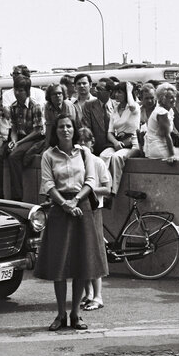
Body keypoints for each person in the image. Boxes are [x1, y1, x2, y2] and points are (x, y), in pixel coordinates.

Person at [34, 114, 109, 331]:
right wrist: (65, 204)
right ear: (55, 131)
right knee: (59, 264)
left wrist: (76, 200)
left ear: (73, 130)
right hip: (60, 209)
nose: (65, 130)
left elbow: (91, 181)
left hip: (82, 207)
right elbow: (48, 184)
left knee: (80, 263)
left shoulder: (84, 153)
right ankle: (60, 314)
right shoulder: (48, 155)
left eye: (68, 126)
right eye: (60, 127)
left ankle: (76, 314)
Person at [0, 76, 43, 201]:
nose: (17, 93)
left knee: (14, 156)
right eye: (16, 90)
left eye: (21, 90)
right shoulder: (13, 106)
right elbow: (13, 128)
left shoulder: (36, 106)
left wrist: (18, 143)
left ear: (27, 91)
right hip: (17, 138)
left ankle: (16, 198)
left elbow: (37, 131)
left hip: (32, 139)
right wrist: (13, 141)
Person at [76, 127, 112, 312]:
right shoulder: (75, 163)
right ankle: (88, 293)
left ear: (92, 143)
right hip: (80, 210)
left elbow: (107, 188)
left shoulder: (97, 162)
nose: (82, 146)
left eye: (86, 142)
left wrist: (89, 189)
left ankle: (98, 296)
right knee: (83, 253)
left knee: (95, 252)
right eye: (79, 142)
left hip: (94, 209)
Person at [100, 81, 142, 199]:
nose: (116, 95)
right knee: (103, 156)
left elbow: (132, 105)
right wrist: (116, 142)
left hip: (132, 143)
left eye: (120, 92)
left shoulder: (134, 107)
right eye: (116, 92)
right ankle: (104, 187)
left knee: (116, 157)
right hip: (118, 143)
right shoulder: (115, 109)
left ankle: (112, 192)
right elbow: (110, 132)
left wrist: (129, 90)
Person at [143, 83, 179, 159]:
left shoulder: (168, 111)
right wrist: (172, 155)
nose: (174, 100)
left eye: (174, 97)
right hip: (158, 149)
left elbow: (173, 132)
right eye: (170, 97)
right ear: (162, 99)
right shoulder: (161, 112)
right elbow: (167, 135)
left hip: (157, 147)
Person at [82, 77, 115, 155]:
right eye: (96, 88)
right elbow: (87, 128)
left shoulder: (117, 106)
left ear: (109, 92)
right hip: (95, 150)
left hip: (115, 148)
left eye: (99, 89)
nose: (95, 91)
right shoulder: (88, 105)